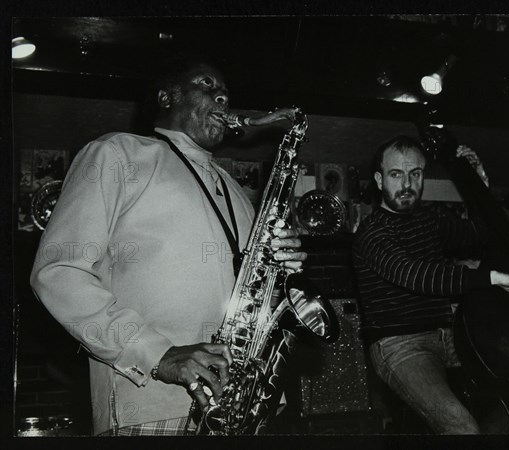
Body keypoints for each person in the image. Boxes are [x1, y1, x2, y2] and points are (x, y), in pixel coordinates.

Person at [30, 57, 307, 436]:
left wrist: (280, 266)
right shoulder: (117, 153)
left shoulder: (237, 192)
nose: (222, 95)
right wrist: (158, 354)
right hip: (150, 405)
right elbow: (58, 272)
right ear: (166, 96)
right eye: (207, 84)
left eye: (225, 90)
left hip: (245, 407)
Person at [352, 135, 509, 434]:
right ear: (379, 179)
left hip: (450, 334)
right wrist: (497, 279)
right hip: (399, 345)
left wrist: (480, 183)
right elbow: (418, 275)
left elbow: (481, 233)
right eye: (396, 174)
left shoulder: (431, 220)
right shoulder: (371, 233)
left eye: (416, 173)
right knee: (461, 427)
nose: (407, 184)